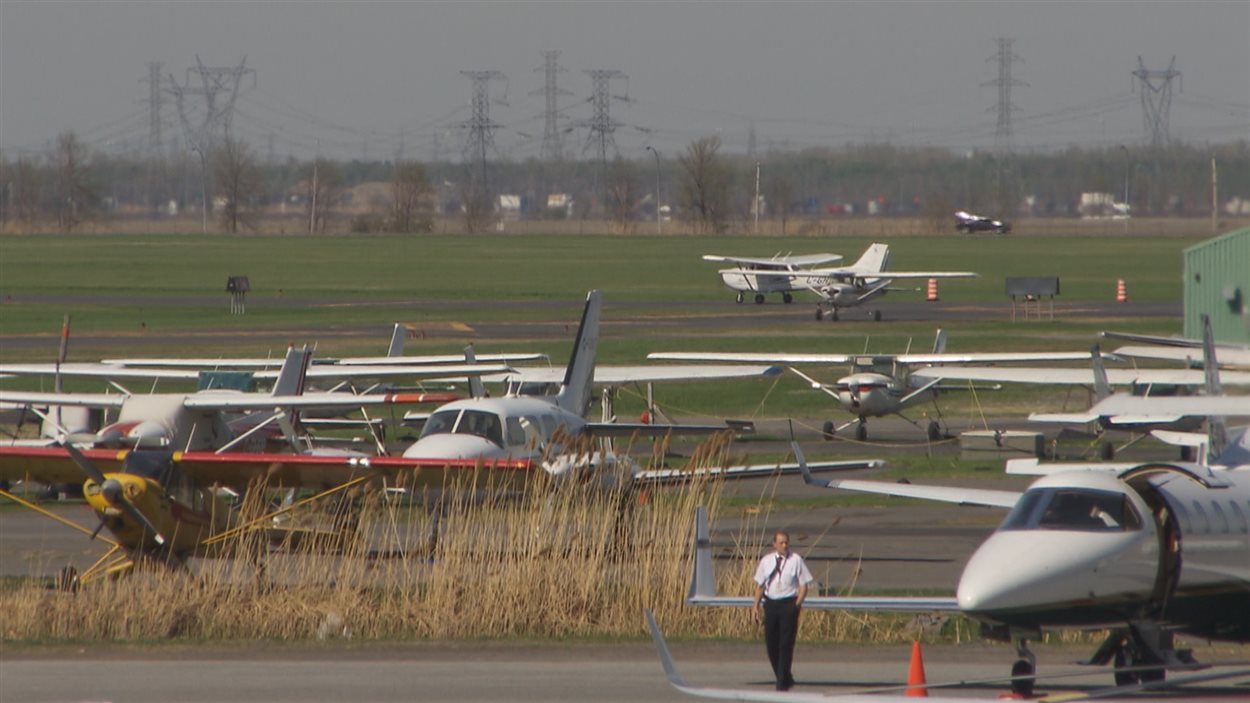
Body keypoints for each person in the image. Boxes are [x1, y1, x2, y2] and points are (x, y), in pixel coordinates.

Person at [752, 529, 814, 691]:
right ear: (774, 544)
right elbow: (760, 586)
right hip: (771, 604)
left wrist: (796, 605)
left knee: (786, 644)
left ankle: (781, 683)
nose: (785, 545)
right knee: (772, 644)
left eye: (786, 542)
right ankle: (785, 676)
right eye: (781, 543)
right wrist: (755, 606)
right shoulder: (766, 561)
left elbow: (804, 586)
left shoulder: (796, 560)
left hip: (788, 604)